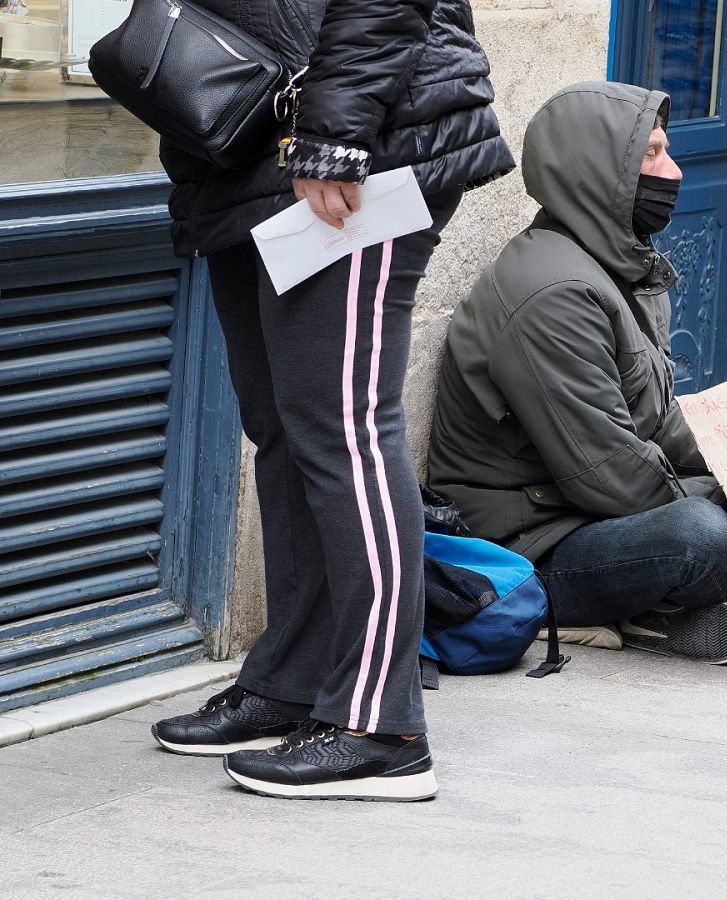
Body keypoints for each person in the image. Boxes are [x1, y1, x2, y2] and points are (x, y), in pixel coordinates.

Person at [148, 0, 515, 801]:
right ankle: (295, 680)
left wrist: (335, 130)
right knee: (284, 429)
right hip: (247, 148)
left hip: (357, 142)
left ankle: (381, 726)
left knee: (344, 430)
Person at [426, 81, 727, 666]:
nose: (675, 171)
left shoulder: (617, 267)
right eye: (652, 154)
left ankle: (661, 615)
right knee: (708, 537)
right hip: (531, 547)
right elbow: (610, 478)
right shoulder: (552, 292)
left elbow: (657, 420)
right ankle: (616, 614)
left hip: (592, 517)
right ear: (596, 171)